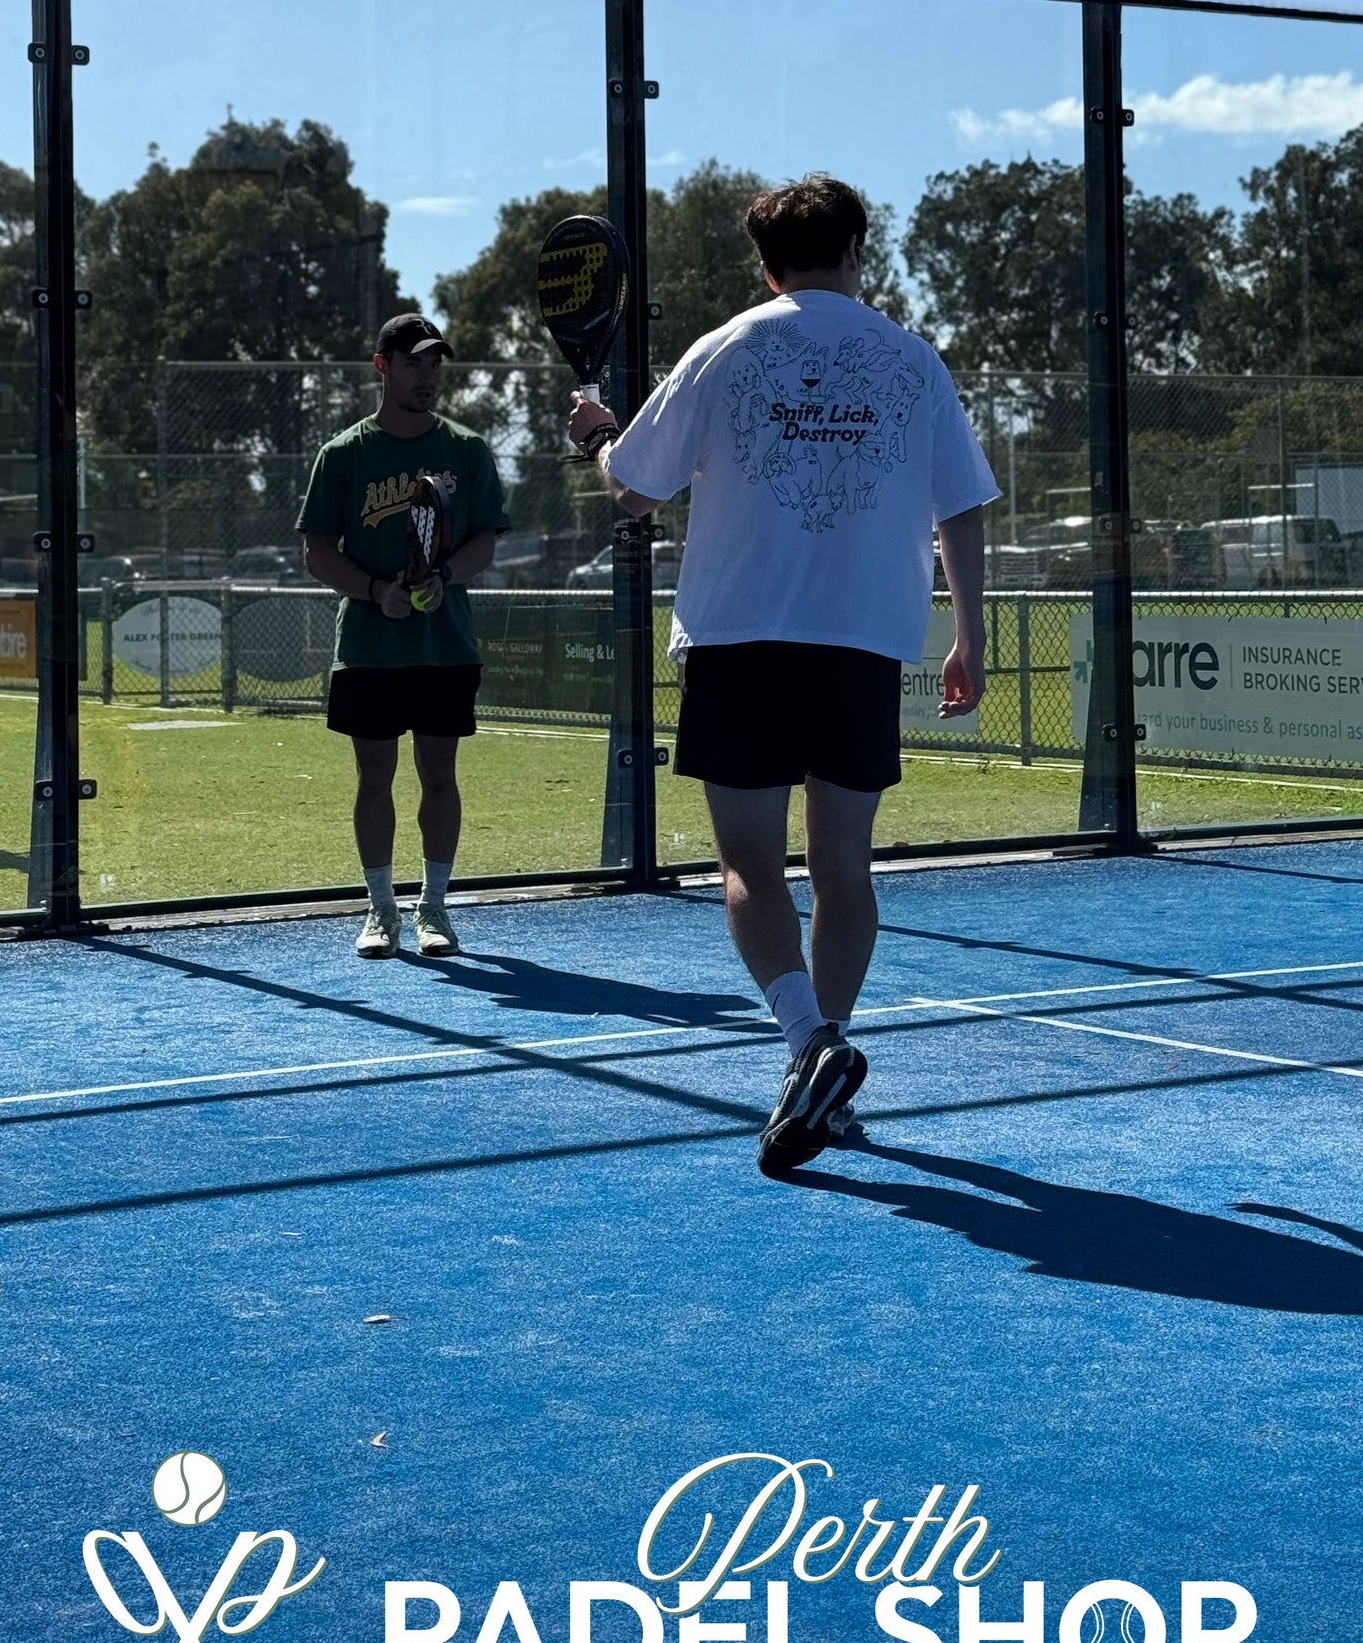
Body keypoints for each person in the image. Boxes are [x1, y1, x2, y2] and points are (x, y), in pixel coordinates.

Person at [568, 172, 996, 1177]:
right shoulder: (912, 360)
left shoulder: (723, 347)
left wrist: (595, 437)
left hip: (740, 644)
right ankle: (822, 1064)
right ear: (856, 251)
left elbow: (632, 490)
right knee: (842, 870)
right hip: (861, 644)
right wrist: (970, 635)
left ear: (766, 266)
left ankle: (809, 1045)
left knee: (750, 864)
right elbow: (962, 506)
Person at [298, 313, 510, 959]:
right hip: (369, 649)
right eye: (413, 362)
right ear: (381, 365)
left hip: (445, 647)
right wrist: (373, 591)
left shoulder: (467, 450)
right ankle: (381, 909)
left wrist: (442, 576)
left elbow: (485, 542)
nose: (427, 375)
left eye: (434, 363)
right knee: (375, 776)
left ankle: (434, 907)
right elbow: (317, 551)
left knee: (439, 775)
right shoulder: (343, 454)